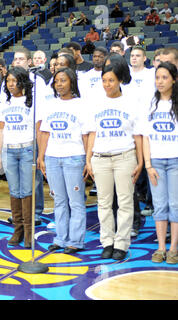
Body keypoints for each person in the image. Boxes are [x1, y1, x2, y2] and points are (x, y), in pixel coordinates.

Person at [85, 58, 143, 260]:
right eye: (104, 80)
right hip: (100, 158)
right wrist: (88, 158)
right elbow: (92, 132)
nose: (107, 84)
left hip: (124, 157)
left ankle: (121, 243)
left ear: (119, 80)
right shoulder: (96, 102)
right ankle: (107, 241)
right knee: (103, 203)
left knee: (125, 202)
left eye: (111, 80)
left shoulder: (130, 102)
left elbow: (138, 135)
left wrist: (141, 161)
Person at [38, 67, 90, 254]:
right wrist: (41, 157)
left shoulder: (81, 104)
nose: (59, 84)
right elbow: (45, 132)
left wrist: (87, 159)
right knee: (59, 200)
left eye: (63, 80)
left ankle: (75, 241)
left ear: (72, 82)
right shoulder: (50, 104)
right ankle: (60, 238)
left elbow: (86, 135)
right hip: (52, 157)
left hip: (74, 157)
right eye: (56, 81)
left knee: (75, 201)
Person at [0, 67, 35, 247]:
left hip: (26, 149)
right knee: (14, 190)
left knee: (26, 191)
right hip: (8, 150)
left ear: (23, 81)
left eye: (15, 81)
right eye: (8, 81)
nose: (11, 84)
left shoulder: (32, 102)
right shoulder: (4, 104)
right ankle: (17, 229)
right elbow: (0, 129)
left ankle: (28, 231)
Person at [142, 62, 178, 264]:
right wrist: (148, 164)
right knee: (159, 205)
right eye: (157, 77)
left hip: (175, 161)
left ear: (174, 79)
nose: (160, 81)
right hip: (155, 162)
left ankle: (173, 247)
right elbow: (146, 137)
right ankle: (161, 247)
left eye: (165, 77)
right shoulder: (150, 104)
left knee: (175, 204)